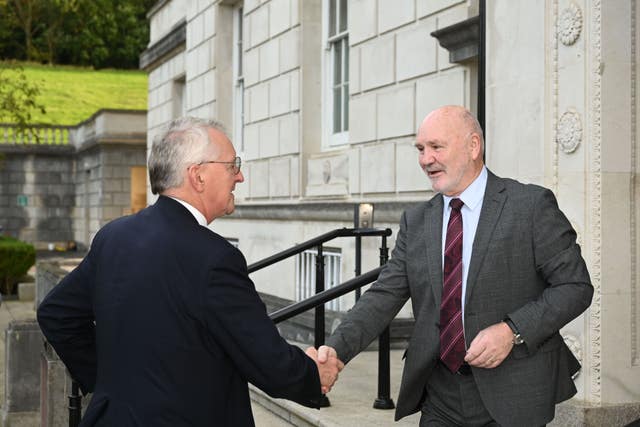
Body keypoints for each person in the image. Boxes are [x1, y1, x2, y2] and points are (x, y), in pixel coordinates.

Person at [37, 117, 343, 426]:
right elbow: (269, 364)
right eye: (232, 165)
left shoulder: (114, 236)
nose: (240, 177)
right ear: (198, 176)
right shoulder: (215, 257)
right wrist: (315, 374)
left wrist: (110, 384)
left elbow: (56, 314)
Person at [316, 105, 593, 426]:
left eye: (436, 147)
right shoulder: (417, 221)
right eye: (420, 149)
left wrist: (511, 331)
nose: (425, 159)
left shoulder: (529, 206)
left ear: (473, 146)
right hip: (440, 395)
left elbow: (575, 287)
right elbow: (383, 296)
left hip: (514, 393)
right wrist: (335, 352)